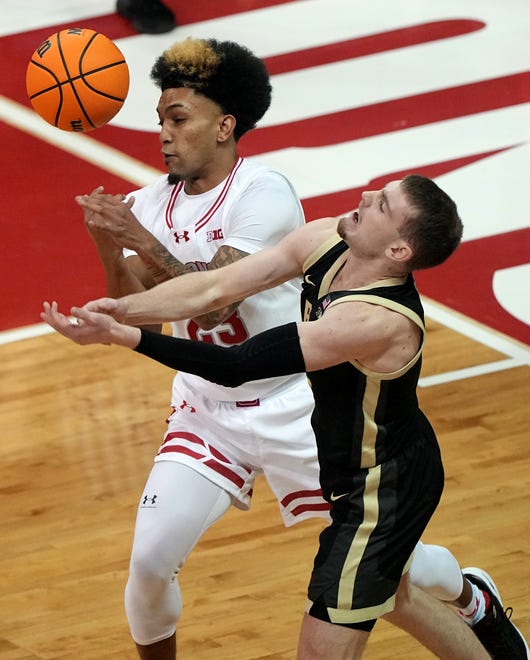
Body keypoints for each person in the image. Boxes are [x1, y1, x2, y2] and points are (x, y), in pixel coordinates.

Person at [41, 172, 529, 658]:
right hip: (350, 463)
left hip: (384, 486)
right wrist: (120, 310)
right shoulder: (325, 240)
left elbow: (240, 363)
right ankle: (487, 624)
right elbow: (213, 289)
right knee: (395, 598)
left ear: (399, 251)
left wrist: (128, 337)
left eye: (381, 205)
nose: (364, 195)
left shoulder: (375, 321)